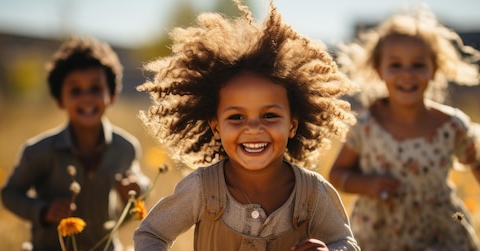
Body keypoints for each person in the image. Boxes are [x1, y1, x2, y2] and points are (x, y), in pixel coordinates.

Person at [132, 1, 359, 250]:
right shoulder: (201, 190)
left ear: (292, 125)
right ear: (216, 127)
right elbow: (151, 234)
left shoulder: (313, 193)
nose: (253, 128)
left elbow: (344, 242)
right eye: (236, 117)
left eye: (269, 116)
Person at [328, 8, 480, 250]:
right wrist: (369, 185)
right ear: (379, 70)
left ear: (434, 69)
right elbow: (338, 174)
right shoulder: (366, 127)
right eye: (395, 65)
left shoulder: (451, 125)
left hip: (439, 232)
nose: (407, 74)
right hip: (380, 233)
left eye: (418, 65)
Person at [0, 36, 150, 251]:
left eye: (96, 88)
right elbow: (9, 194)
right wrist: (43, 210)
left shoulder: (125, 147)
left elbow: (141, 183)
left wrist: (138, 188)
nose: (86, 98)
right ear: (60, 99)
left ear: (112, 95)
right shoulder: (39, 151)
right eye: (75, 91)